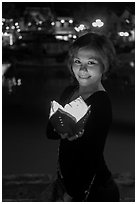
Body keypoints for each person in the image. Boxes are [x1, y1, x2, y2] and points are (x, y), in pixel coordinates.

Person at [46, 32, 120, 201]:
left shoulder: (101, 102)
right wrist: (64, 132)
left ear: (105, 66)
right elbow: (50, 132)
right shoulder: (68, 92)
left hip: (93, 189)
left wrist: (73, 193)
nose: (83, 69)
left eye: (91, 63)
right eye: (78, 61)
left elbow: (90, 156)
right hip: (67, 181)